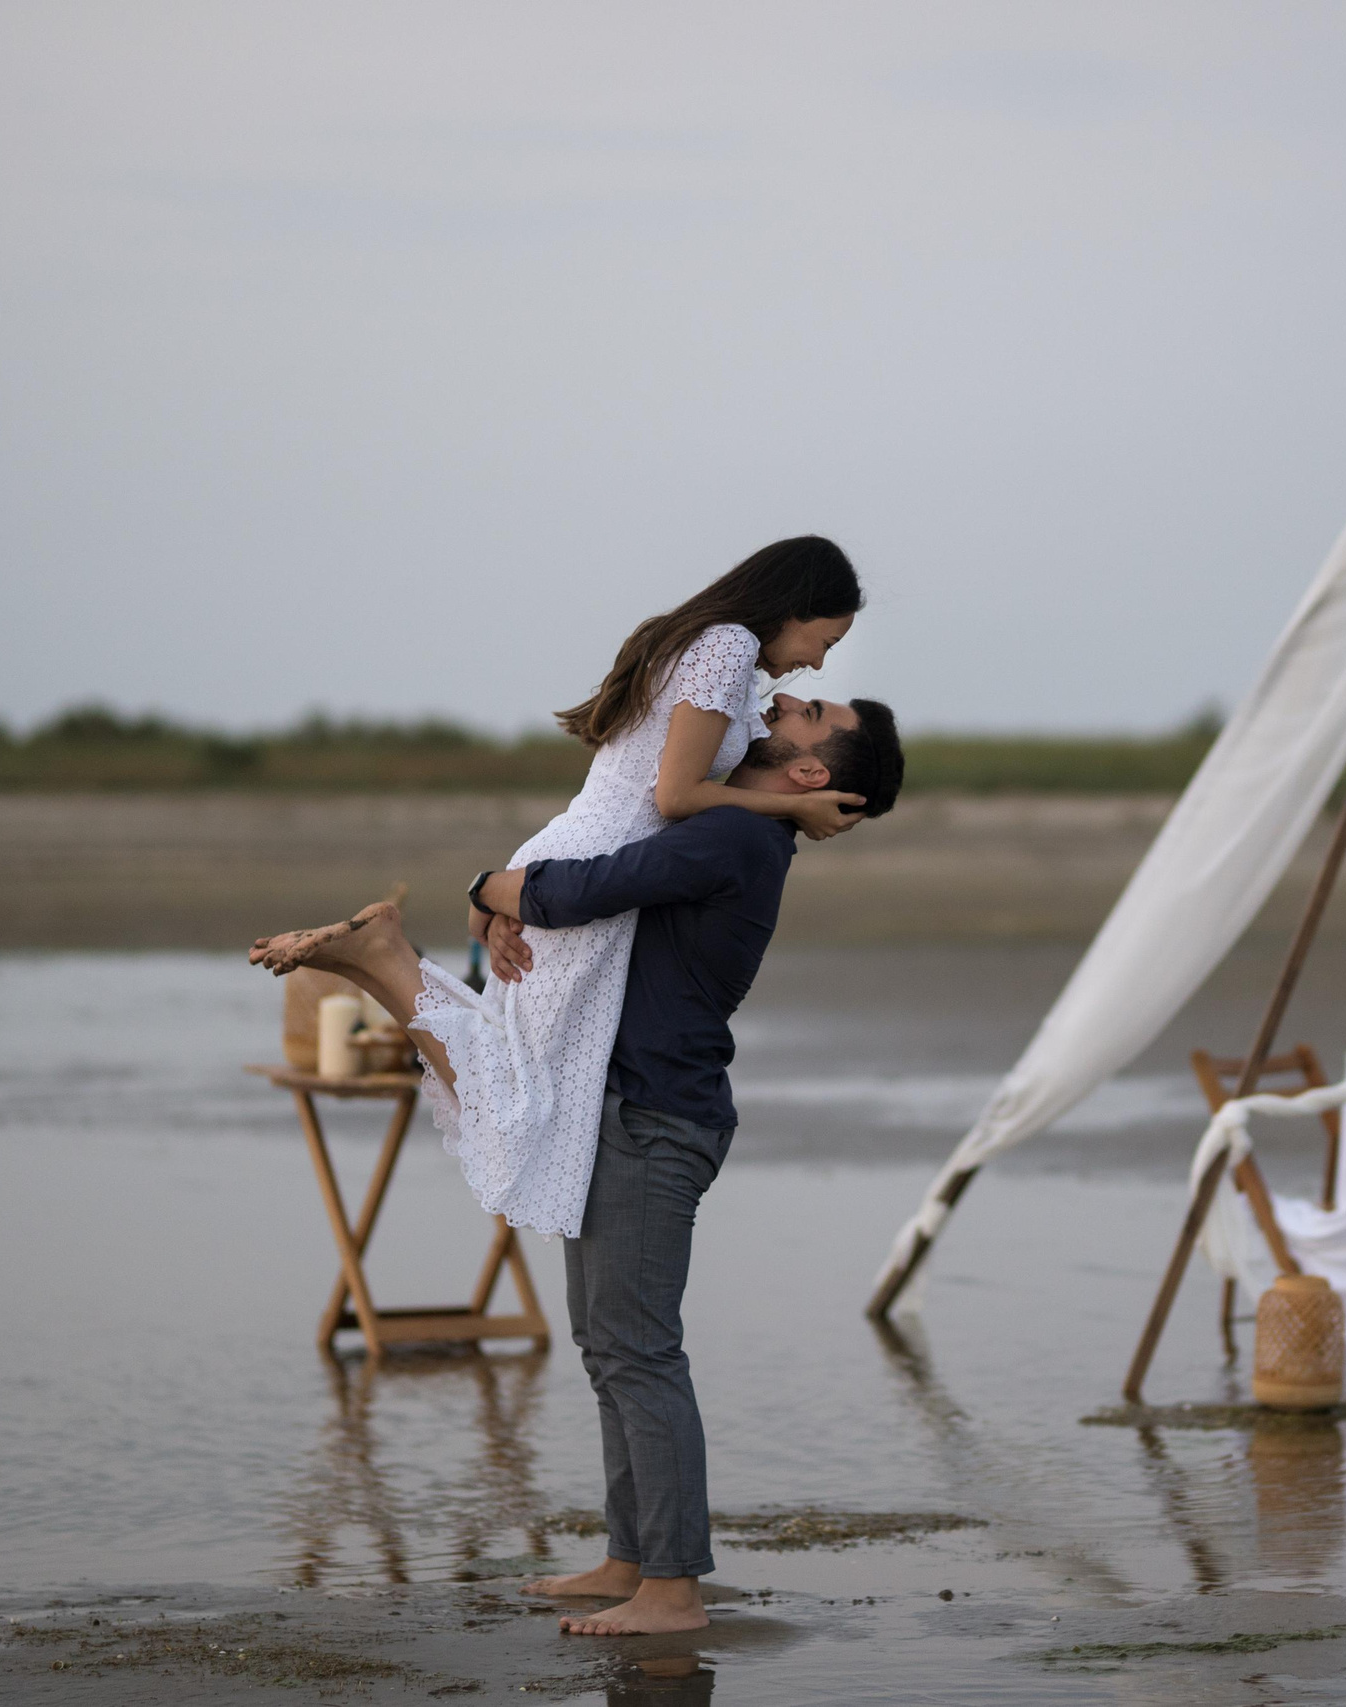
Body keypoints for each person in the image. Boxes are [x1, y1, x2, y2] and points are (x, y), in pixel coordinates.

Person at [253, 698, 905, 1637]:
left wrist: (487, 883)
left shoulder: (732, 839)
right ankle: (627, 1557)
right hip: (626, 1109)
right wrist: (495, 900)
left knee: (641, 1353)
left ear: (810, 771)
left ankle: (674, 1590)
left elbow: (580, 888)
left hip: (656, 1119)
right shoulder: (734, 828)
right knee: (610, 1349)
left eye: (804, 712)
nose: (776, 703)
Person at [265, 536, 867, 1239]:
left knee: (514, 1062)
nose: (817, 662)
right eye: (822, 639)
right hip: (595, 873)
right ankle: (386, 960)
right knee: (520, 1092)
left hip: (578, 853)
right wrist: (791, 807)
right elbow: (674, 796)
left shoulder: (704, 639)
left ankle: (388, 964)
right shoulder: (728, 646)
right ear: (791, 607)